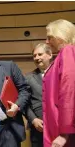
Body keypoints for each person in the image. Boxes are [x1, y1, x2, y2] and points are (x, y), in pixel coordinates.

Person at [43, 19, 75, 147]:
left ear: (60, 37)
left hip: (63, 133)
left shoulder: (68, 51)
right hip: (58, 127)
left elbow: (69, 91)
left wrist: (64, 133)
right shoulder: (63, 55)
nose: (47, 41)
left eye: (50, 37)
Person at [25, 43, 53, 147]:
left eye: (40, 54)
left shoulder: (61, 73)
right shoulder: (28, 78)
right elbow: (25, 103)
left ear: (50, 55)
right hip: (38, 128)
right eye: (34, 55)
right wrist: (33, 119)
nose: (37, 58)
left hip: (59, 127)